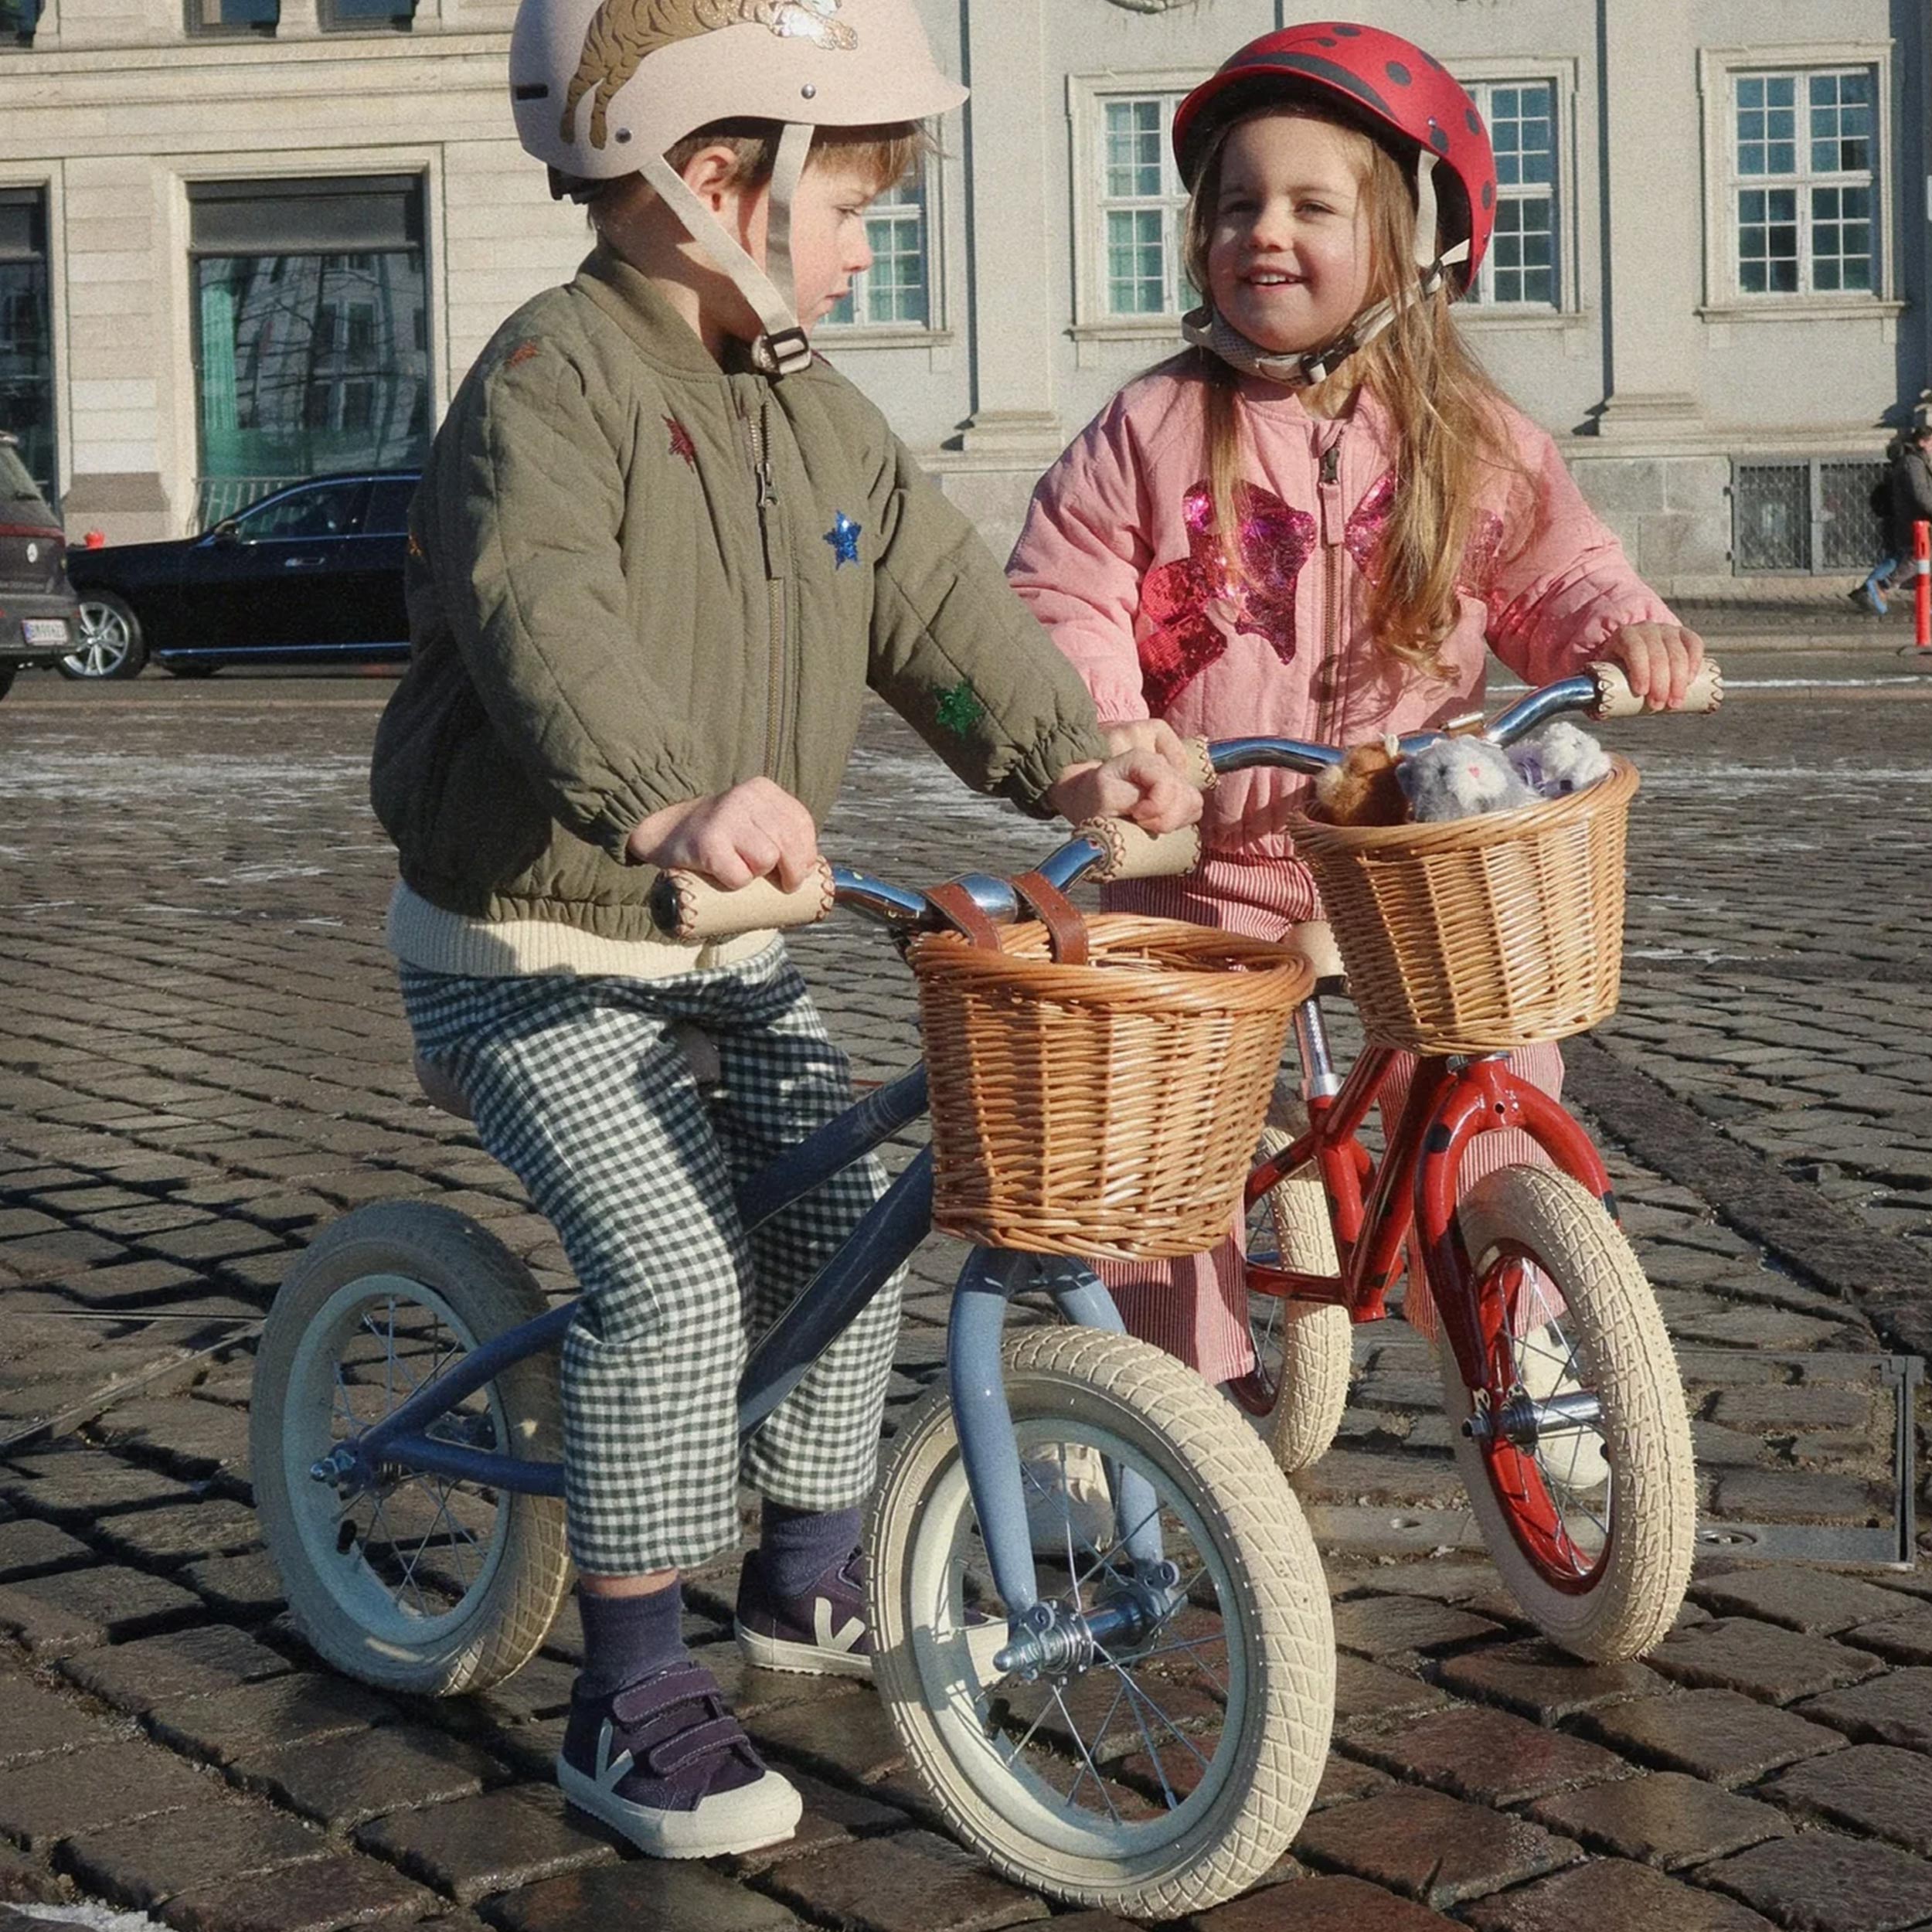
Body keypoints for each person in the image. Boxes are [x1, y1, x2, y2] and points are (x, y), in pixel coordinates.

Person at [368, 0, 1198, 1864]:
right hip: (530, 945)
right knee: (669, 1277)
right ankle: (630, 1685)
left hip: (716, 937)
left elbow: (940, 609)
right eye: (850, 198)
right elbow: (541, 619)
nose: (866, 233)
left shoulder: (819, 411)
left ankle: (805, 1563)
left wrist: (1074, 761)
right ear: (712, 181)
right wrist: (668, 796)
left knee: (839, 1205)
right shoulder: (546, 387)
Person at [1008, 21, 1703, 1392]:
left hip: (1404, 857)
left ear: (1410, 241)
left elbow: (1555, 561)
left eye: (1313, 206)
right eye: (1236, 204)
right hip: (1195, 859)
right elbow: (1061, 591)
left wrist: (1623, 629)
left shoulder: (1464, 431)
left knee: (1491, 1061)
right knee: (1160, 1119)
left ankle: (1528, 1339)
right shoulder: (1150, 428)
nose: (1264, 231)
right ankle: (1171, 1393)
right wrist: (1109, 736)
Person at [1855, 422, 1932, 614]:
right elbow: (1921, 495)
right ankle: (1880, 587)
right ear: (1923, 442)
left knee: (1906, 558)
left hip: (1914, 519)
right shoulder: (1913, 462)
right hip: (1913, 521)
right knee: (1916, 557)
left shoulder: (1915, 461)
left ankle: (1873, 590)